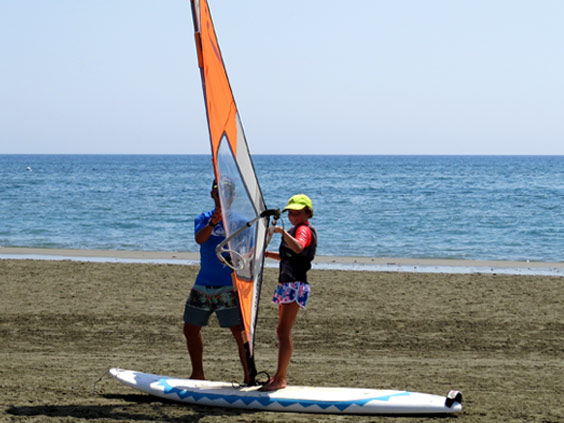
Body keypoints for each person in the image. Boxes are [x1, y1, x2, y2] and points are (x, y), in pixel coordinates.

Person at [183, 180, 250, 383]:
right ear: (212, 194)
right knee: (190, 329)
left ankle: (248, 376)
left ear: (233, 196)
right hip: (203, 284)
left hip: (229, 286)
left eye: (226, 192)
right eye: (218, 191)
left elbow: (250, 251)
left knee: (239, 334)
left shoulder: (241, 222)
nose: (222, 195)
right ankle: (198, 374)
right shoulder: (202, 218)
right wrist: (213, 223)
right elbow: (200, 239)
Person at [261, 194, 317, 391]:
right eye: (291, 213)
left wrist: (283, 232)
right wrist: (265, 254)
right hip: (287, 284)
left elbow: (299, 247)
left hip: (295, 286)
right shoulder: (295, 230)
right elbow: (288, 256)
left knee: (284, 331)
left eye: (298, 212)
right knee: (281, 331)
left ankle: (281, 379)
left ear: (307, 213)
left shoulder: (303, 230)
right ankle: (278, 376)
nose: (293, 216)